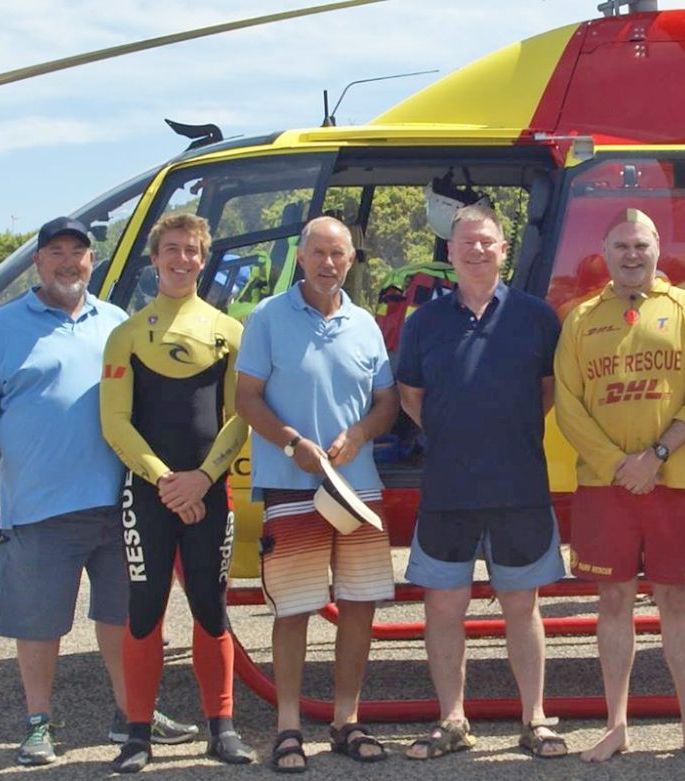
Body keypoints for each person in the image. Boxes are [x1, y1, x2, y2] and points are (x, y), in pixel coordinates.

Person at [0, 216, 196, 766]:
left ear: (93, 261)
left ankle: (131, 713)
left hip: (119, 504)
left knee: (124, 616)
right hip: (39, 506)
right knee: (39, 623)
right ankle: (38, 723)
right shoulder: (3, 328)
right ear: (39, 262)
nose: (69, 262)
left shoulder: (115, 322)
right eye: (56, 252)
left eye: (79, 252)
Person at [396, 205, 568, 760]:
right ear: (450, 252)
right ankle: (452, 720)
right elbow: (411, 398)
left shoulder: (537, 317)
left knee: (523, 607)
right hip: (448, 489)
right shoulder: (423, 321)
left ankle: (535, 719)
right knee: (444, 610)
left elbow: (547, 391)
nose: (476, 250)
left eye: (487, 242)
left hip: (519, 487)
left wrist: (501, 432)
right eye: (465, 242)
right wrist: (458, 433)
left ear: (503, 250)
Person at [553, 208, 685, 762]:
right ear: (605, 252)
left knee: (677, 599)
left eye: (641, 245)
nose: (632, 255)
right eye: (621, 246)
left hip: (674, 481)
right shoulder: (580, 318)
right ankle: (615, 725)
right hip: (607, 487)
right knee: (614, 600)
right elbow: (567, 403)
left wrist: (653, 457)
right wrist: (615, 463)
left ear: (658, 249)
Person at [236, 216, 399, 772]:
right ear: (301, 258)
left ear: (351, 261)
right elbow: (247, 399)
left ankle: (345, 721)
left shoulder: (366, 325)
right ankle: (287, 728)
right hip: (291, 484)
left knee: (357, 607)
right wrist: (290, 444)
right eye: (319, 253)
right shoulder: (266, 317)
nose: (329, 264)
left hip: (357, 490)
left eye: (339, 255)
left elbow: (387, 404)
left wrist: (358, 435)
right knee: (296, 608)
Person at [99, 214, 254, 772]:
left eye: (192, 250)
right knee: (145, 610)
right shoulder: (128, 334)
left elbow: (241, 417)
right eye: (171, 249)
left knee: (211, 609)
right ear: (154, 257)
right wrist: (165, 480)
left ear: (204, 257)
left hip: (209, 491)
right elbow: (115, 422)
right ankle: (137, 736)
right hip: (149, 495)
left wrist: (203, 479)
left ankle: (223, 728)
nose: (182, 258)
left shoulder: (229, 330)